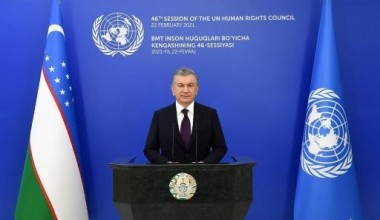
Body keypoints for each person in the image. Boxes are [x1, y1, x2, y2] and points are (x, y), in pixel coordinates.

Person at [144, 67, 228, 164]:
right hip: (169, 175)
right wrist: (166, 164)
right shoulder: (160, 116)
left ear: (196, 89)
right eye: (180, 85)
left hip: (202, 174)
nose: (186, 90)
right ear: (173, 89)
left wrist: (204, 164)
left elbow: (220, 148)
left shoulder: (210, 114)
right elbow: (149, 150)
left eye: (190, 85)